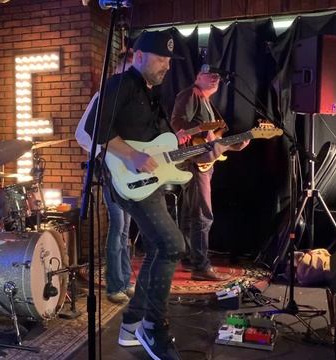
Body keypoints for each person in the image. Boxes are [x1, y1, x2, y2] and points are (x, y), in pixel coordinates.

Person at [86, 30, 228, 360]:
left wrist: (209, 152)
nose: (166, 65)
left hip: (153, 183)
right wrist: (131, 155)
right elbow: (95, 129)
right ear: (138, 56)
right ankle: (153, 326)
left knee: (158, 248)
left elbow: (167, 151)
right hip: (128, 181)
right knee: (172, 244)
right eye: (161, 58)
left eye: (168, 60)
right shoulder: (120, 84)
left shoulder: (153, 95)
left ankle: (131, 325)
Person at [170, 67, 250, 281]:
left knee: (191, 214)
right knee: (203, 215)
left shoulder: (206, 102)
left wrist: (234, 146)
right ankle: (201, 267)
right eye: (210, 74)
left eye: (217, 76)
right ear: (197, 77)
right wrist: (202, 131)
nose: (215, 78)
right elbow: (178, 121)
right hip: (193, 163)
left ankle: (189, 258)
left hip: (201, 163)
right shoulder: (190, 94)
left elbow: (213, 144)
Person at [76, 50, 135, 304]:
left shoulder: (133, 101)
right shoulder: (104, 96)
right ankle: (114, 285)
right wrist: (106, 153)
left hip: (130, 173)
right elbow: (82, 134)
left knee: (126, 229)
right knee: (118, 225)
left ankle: (124, 280)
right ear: (120, 70)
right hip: (111, 170)